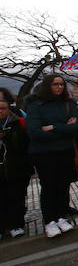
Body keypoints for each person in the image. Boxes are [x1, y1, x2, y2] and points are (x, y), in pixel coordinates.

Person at [25, 75, 78, 237]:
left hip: (65, 150)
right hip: (43, 153)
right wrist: (65, 128)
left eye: (61, 84)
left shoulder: (69, 103)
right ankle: (49, 221)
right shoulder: (35, 104)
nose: (59, 87)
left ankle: (61, 217)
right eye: (55, 84)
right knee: (49, 186)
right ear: (47, 86)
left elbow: (77, 127)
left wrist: (52, 127)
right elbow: (35, 132)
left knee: (63, 184)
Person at [0, 97, 31, 239]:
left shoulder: (19, 122)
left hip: (16, 166)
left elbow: (25, 145)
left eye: (3, 108)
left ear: (9, 108)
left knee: (16, 196)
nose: (0, 111)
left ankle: (16, 224)